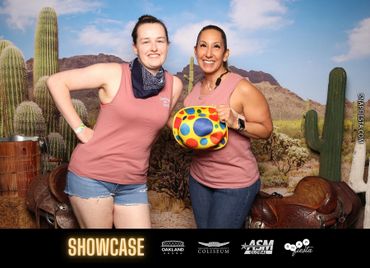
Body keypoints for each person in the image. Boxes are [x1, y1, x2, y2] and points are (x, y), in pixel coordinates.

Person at [47, 15, 183, 228]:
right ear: (135, 47)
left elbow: (153, 122)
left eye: (160, 40)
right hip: (93, 176)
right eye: (146, 41)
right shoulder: (112, 73)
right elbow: (56, 81)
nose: (154, 47)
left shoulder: (174, 85)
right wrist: (80, 128)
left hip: (134, 181)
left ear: (168, 45)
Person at [183, 25, 273, 228]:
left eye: (216, 47)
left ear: (225, 54)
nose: (208, 53)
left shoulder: (241, 88)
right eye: (203, 46)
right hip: (199, 179)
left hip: (235, 183)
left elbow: (266, 129)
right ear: (195, 50)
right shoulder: (196, 89)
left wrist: (235, 122)